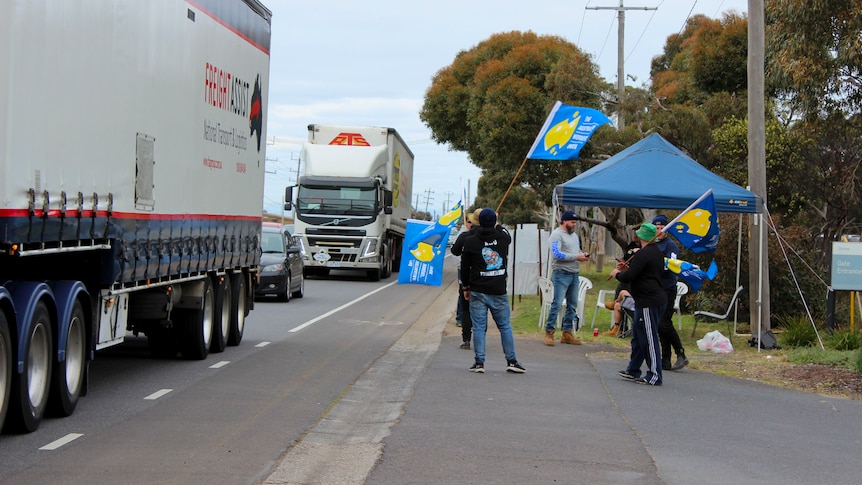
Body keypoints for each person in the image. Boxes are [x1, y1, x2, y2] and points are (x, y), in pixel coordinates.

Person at [461, 208, 525, 374]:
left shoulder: (471, 241)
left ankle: (479, 362)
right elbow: (505, 233)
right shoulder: (503, 238)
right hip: (498, 290)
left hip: (477, 290)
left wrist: (465, 288)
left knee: (479, 327)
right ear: (494, 222)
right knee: (505, 326)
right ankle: (511, 360)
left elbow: (465, 268)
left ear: (477, 222)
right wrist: (496, 222)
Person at [610, 222, 666, 386]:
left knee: (648, 338)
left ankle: (655, 375)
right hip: (644, 300)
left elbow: (630, 276)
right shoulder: (653, 252)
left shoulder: (645, 253)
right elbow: (640, 271)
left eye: (638, 233)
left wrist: (618, 274)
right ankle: (633, 369)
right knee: (639, 336)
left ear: (642, 236)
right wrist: (628, 267)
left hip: (650, 301)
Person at [544, 210, 590, 346]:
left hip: (574, 273)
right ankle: (549, 331)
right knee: (557, 303)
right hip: (561, 273)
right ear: (564, 221)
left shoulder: (574, 235)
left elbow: (575, 251)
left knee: (572, 304)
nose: (574, 225)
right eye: (572, 222)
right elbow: (556, 254)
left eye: (575, 222)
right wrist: (576, 257)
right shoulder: (556, 235)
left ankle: (567, 332)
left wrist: (582, 255)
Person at [652, 214, 689, 371]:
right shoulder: (652, 245)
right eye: (657, 228)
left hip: (667, 287)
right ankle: (665, 358)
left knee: (664, 322)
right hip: (656, 288)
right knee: (659, 325)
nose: (660, 231)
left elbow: (672, 266)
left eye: (663, 228)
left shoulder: (670, 246)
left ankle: (680, 353)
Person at [450, 209, 482, 349]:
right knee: (482, 309)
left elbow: (455, 251)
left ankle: (466, 339)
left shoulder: (464, 236)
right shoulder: (494, 236)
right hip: (484, 278)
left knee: (466, 308)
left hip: (467, 277)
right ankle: (481, 338)